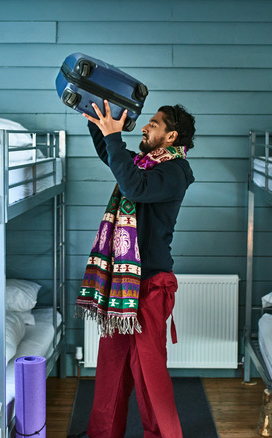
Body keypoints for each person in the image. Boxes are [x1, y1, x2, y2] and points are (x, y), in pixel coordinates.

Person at [73, 100, 195, 438]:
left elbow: (133, 187)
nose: (145, 127)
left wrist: (113, 137)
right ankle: (102, 433)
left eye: (153, 124)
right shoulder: (145, 163)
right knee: (111, 368)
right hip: (123, 286)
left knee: (148, 375)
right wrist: (99, 124)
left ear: (171, 136)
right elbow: (115, 160)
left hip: (150, 285)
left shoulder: (174, 172)